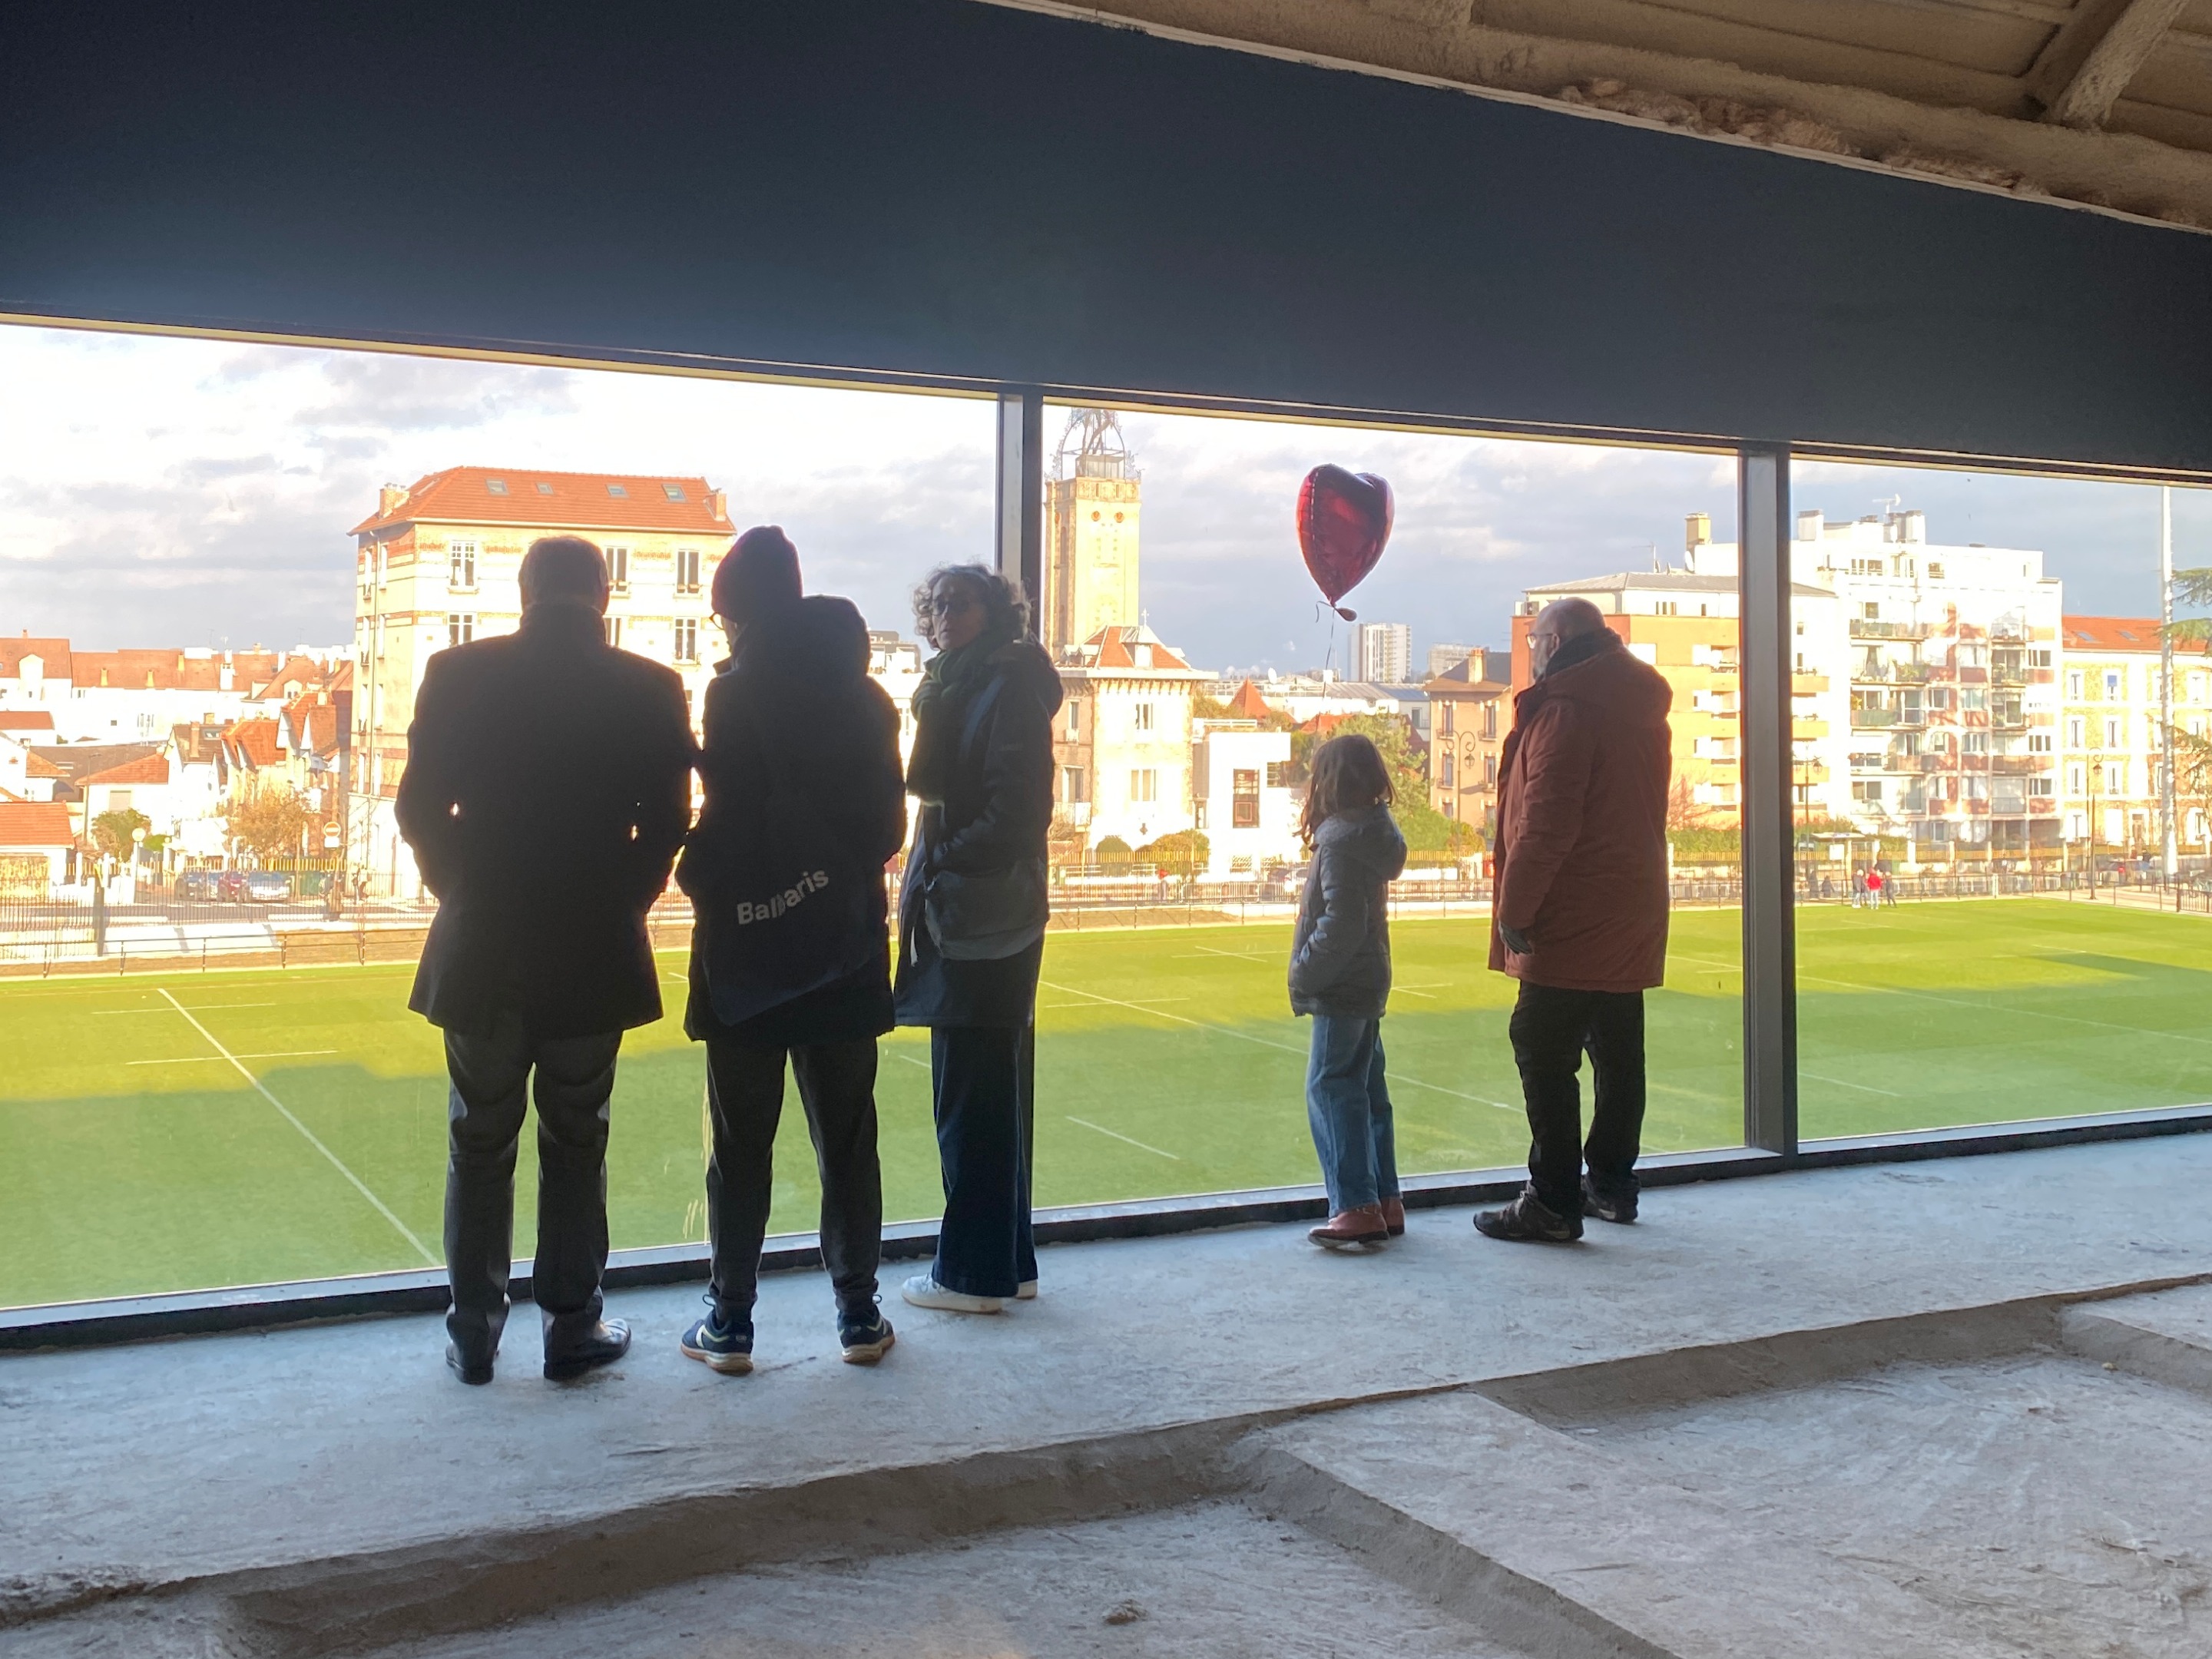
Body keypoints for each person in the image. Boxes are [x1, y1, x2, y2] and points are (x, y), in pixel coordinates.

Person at [397, 535, 694, 1383]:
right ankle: (571, 1328)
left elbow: (418, 806)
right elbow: (668, 822)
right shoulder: (650, 686)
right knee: (576, 1141)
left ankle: (474, 1336)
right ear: (603, 593)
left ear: (523, 591)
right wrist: (625, 900)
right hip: (592, 947)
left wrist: (460, 888)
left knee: (478, 1142)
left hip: (482, 944)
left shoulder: (458, 673)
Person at [674, 527, 906, 1374]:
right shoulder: (869, 699)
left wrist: (699, 871)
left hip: (748, 949)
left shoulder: (731, 695)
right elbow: (888, 828)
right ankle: (859, 1314)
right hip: (844, 943)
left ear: (739, 615)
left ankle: (731, 1321)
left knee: (741, 1146)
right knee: (847, 1140)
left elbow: (728, 822)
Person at [1475, 596, 1671, 1244]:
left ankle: (1553, 1201)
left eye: (1534, 640)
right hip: (1632, 905)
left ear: (1556, 642)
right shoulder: (1639, 707)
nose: (1531, 651)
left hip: (1574, 910)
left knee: (1539, 1041)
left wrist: (1514, 910)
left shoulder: (1567, 710)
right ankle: (1611, 1184)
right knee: (1618, 1047)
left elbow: (1547, 824)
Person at [893, 563, 1062, 1314]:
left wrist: (945, 867)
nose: (943, 616)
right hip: (980, 911)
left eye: (960, 603)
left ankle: (970, 1275)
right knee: (989, 1093)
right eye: (935, 605)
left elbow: (1017, 811)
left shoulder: (1002, 685)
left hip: (981, 915)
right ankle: (1007, 1264)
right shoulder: (971, 684)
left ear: (994, 612)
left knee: (970, 1098)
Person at [1289, 733, 1409, 1249]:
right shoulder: (1375, 835)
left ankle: (1355, 1206)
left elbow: (1340, 922)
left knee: (1331, 1086)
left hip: (1343, 985)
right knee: (1367, 1090)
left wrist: (1304, 972)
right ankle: (1384, 1199)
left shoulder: (1339, 842)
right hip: (1369, 978)